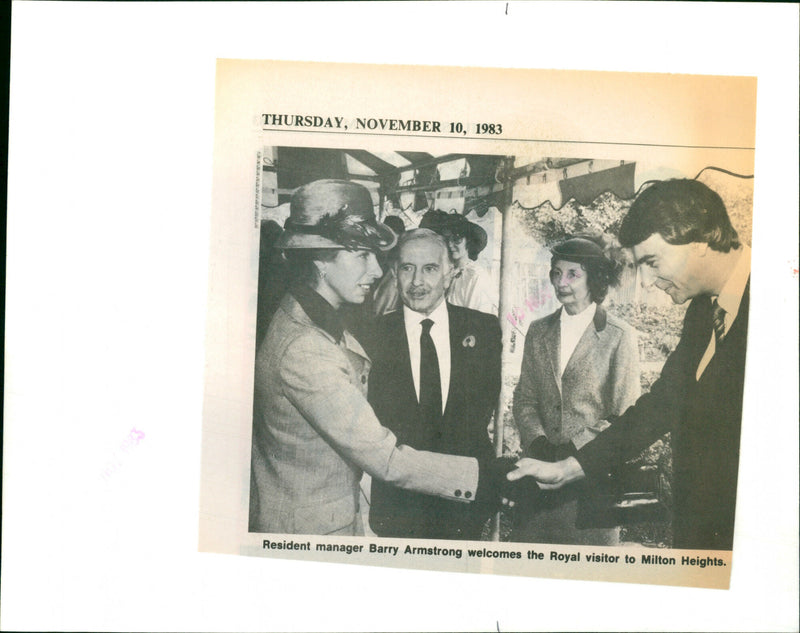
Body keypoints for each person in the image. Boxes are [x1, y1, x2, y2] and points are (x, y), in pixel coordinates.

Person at [248, 179, 512, 536]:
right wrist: (492, 478)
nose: (376, 270)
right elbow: (386, 458)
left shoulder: (312, 319)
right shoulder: (306, 348)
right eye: (362, 255)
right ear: (320, 261)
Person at [507, 179, 751, 550]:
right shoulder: (704, 310)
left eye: (652, 263)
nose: (648, 283)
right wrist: (567, 468)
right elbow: (657, 408)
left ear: (700, 243)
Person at [367, 229, 502, 540]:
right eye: (407, 268)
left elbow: (479, 414)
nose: (417, 282)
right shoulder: (372, 335)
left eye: (429, 269)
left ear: (449, 274)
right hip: (398, 505)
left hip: (462, 503)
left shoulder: (482, 330)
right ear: (394, 273)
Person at [511, 237, 640, 545]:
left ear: (594, 279)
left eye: (572, 274)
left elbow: (625, 414)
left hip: (592, 484)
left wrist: (575, 452)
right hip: (539, 477)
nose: (561, 282)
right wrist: (539, 442)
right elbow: (524, 397)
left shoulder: (619, 336)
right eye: (556, 273)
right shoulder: (538, 330)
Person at [420, 210, 498, 315]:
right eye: (446, 239)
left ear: (468, 240)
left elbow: (477, 322)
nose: (450, 245)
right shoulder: (445, 272)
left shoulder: (475, 277)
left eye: (456, 239)